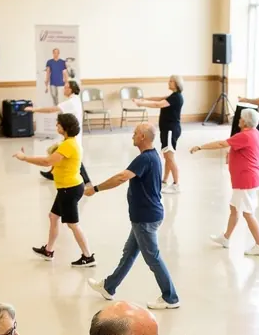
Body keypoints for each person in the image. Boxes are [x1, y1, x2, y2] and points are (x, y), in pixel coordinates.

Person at [85, 122, 180, 310]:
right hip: (144, 216)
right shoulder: (151, 157)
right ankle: (109, 287)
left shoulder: (145, 159)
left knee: (153, 258)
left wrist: (95, 189)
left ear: (143, 137)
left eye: (135, 133)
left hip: (145, 218)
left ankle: (171, 297)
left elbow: (121, 178)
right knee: (129, 253)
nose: (132, 136)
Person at [15, 113, 93, 268]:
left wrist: (24, 158)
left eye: (58, 124)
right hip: (66, 188)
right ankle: (48, 251)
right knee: (53, 217)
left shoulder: (68, 145)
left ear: (65, 128)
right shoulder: (68, 142)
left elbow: (46, 162)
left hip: (69, 189)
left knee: (72, 224)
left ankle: (88, 256)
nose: (56, 126)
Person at [190, 108, 259, 256]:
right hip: (245, 179)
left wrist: (200, 147)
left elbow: (221, 144)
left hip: (246, 180)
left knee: (248, 213)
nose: (238, 120)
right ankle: (226, 238)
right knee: (234, 208)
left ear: (245, 121)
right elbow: (242, 150)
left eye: (240, 118)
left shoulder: (245, 135)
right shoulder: (255, 133)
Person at [25, 81, 90, 185]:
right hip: (72, 131)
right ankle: (52, 172)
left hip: (72, 133)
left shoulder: (71, 102)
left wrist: (34, 109)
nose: (64, 89)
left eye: (66, 87)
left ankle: (87, 181)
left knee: (70, 154)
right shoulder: (75, 99)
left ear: (71, 89)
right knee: (60, 150)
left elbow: (51, 110)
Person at [144, 76, 184, 192]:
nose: (169, 82)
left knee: (170, 158)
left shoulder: (176, 97)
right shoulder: (173, 96)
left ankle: (176, 184)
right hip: (167, 130)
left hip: (170, 130)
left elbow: (158, 104)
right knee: (167, 156)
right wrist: (144, 99)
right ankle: (164, 181)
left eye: (171, 81)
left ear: (177, 83)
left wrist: (142, 104)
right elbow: (158, 99)